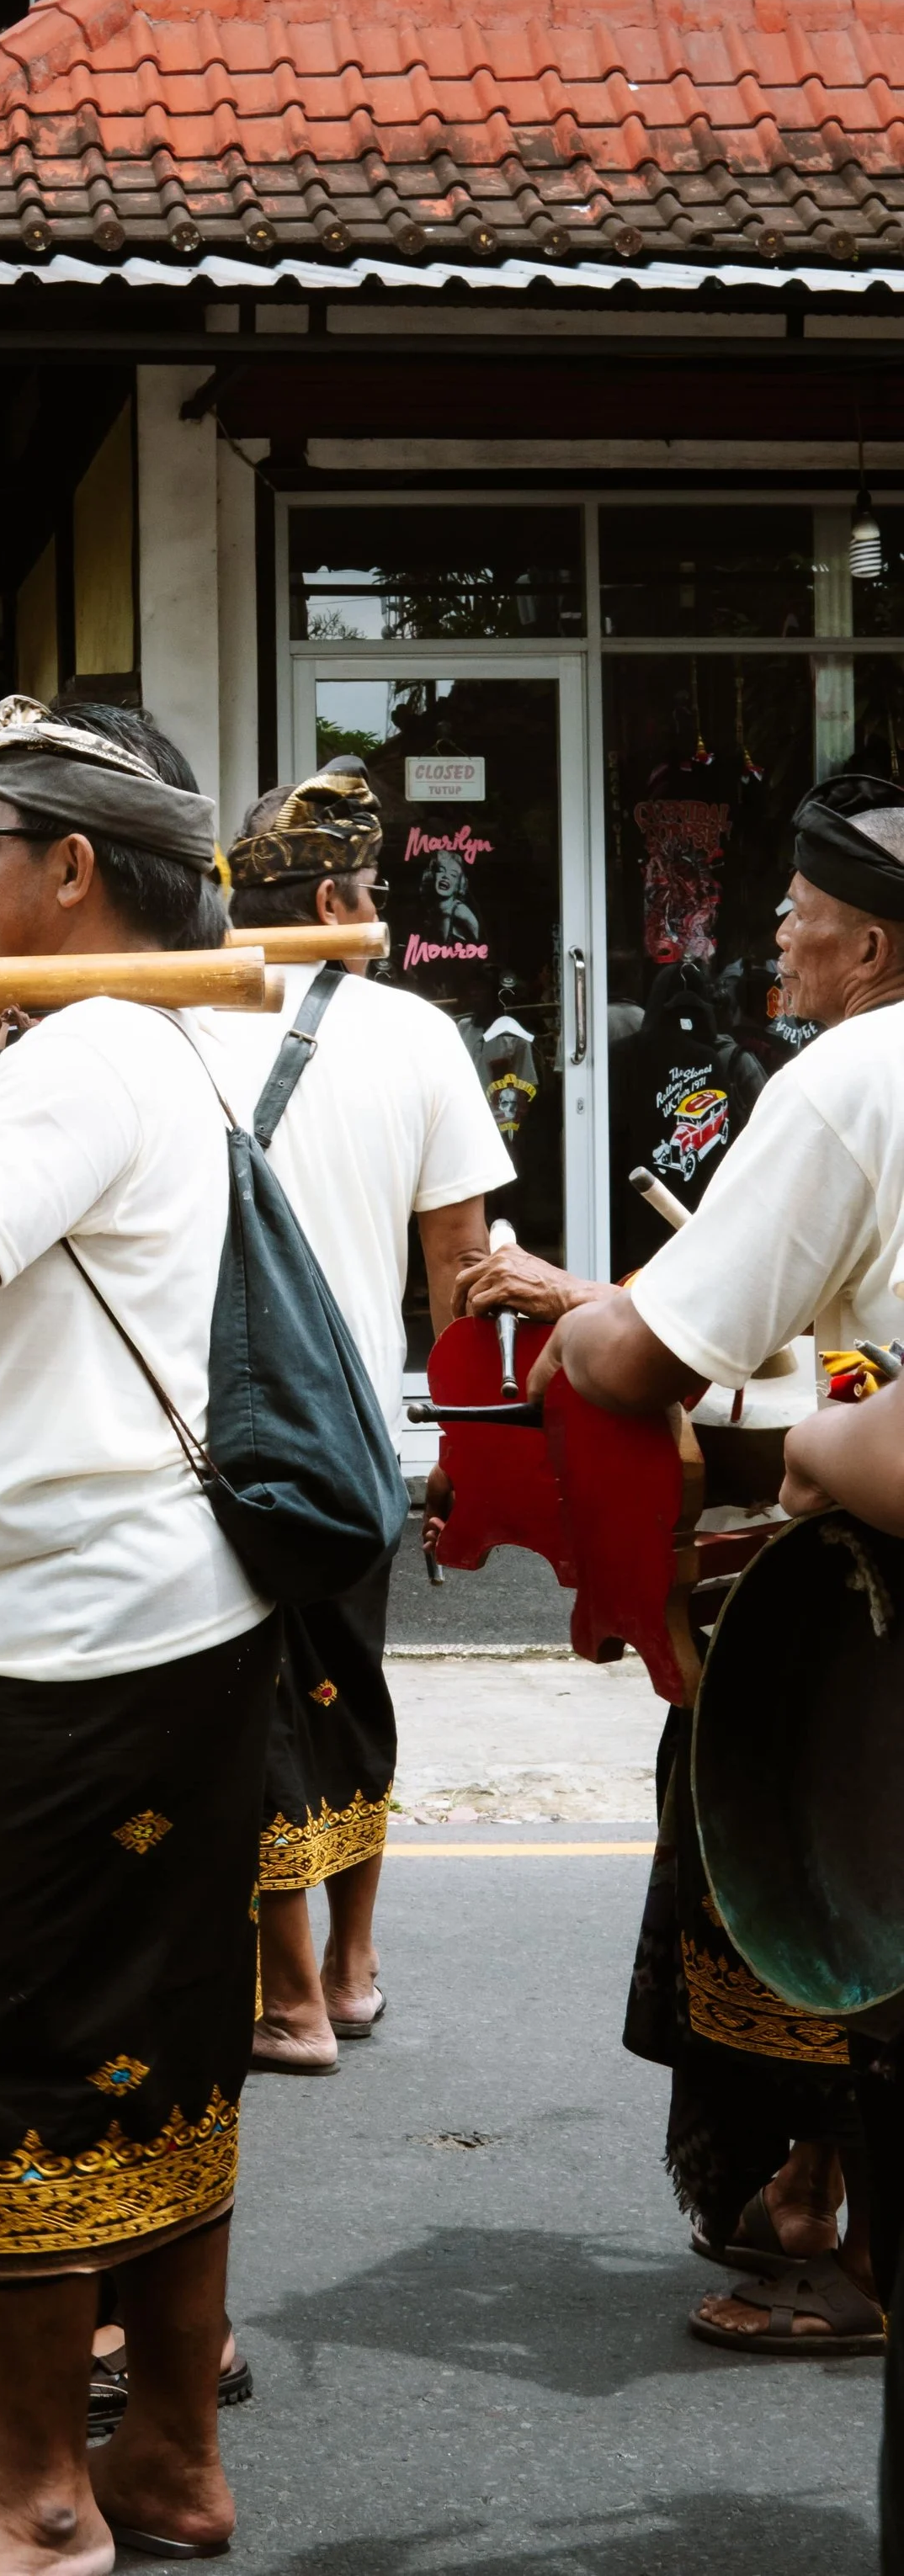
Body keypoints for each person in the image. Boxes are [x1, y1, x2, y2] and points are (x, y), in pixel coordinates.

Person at [0, 692, 278, 2574]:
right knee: (159, 2045)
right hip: (163, 1620)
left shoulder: (96, 1045)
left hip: (77, 1643)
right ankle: (166, 2457)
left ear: (71, 870)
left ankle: (33, 2489)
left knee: (20, 2056)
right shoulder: (132, 1039)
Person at [535, 771, 904, 2387]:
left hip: (874, 1583)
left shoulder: (855, 1079)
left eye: (803, 909)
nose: (778, 928)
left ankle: (825, 2229)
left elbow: (653, 1352)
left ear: (874, 944)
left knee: (802, 1858)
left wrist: (576, 1329)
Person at [210, 767, 509, 2074]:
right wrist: (462, 1448)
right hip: (359, 1423)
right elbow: (461, 1272)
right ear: (335, 897)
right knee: (353, 1684)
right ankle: (353, 1960)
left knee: (255, 1696)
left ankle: (287, 1999)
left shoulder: (176, 1023)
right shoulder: (420, 1034)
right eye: (372, 889)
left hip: (221, 1423)